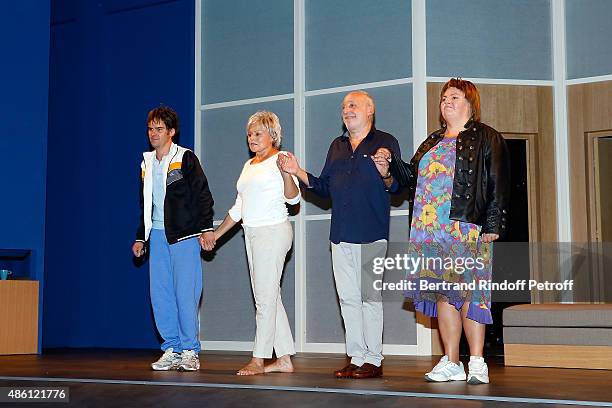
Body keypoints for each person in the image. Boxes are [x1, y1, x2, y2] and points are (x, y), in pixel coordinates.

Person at [387, 78, 510, 384]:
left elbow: (498, 182)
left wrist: (493, 224)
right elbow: (410, 179)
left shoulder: (486, 137)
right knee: (444, 294)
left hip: (465, 226)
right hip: (429, 229)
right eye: (443, 98)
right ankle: (452, 361)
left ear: (471, 103)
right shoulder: (431, 141)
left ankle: (478, 361)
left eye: (454, 96)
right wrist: (388, 166)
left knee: (470, 292)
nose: (447, 101)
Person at [278, 90, 401, 379]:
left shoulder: (386, 142)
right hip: (341, 234)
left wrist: (386, 172)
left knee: (369, 298)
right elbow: (322, 187)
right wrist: (297, 170)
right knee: (348, 299)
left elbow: (398, 187)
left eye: (353, 105)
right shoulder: (337, 145)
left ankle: (374, 359)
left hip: (371, 232)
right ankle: (357, 358)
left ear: (370, 111)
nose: (347, 110)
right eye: (344, 106)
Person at [210, 111, 300, 376]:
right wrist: (216, 235)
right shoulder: (249, 166)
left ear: (273, 135)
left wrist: (286, 174)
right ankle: (284, 359)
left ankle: (259, 359)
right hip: (252, 234)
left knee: (264, 299)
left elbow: (294, 200)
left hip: (273, 232)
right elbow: (239, 208)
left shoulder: (281, 160)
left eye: (258, 133)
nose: (252, 138)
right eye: (250, 134)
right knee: (271, 296)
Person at [132, 106, 215, 371]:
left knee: (185, 293)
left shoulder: (185, 158)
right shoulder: (146, 162)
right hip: (156, 237)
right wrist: (140, 238)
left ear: (171, 131)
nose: (153, 133)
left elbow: (203, 196)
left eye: (159, 129)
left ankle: (190, 349)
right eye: (150, 128)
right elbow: (145, 204)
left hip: (184, 236)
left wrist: (206, 229)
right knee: (161, 295)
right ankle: (172, 348)